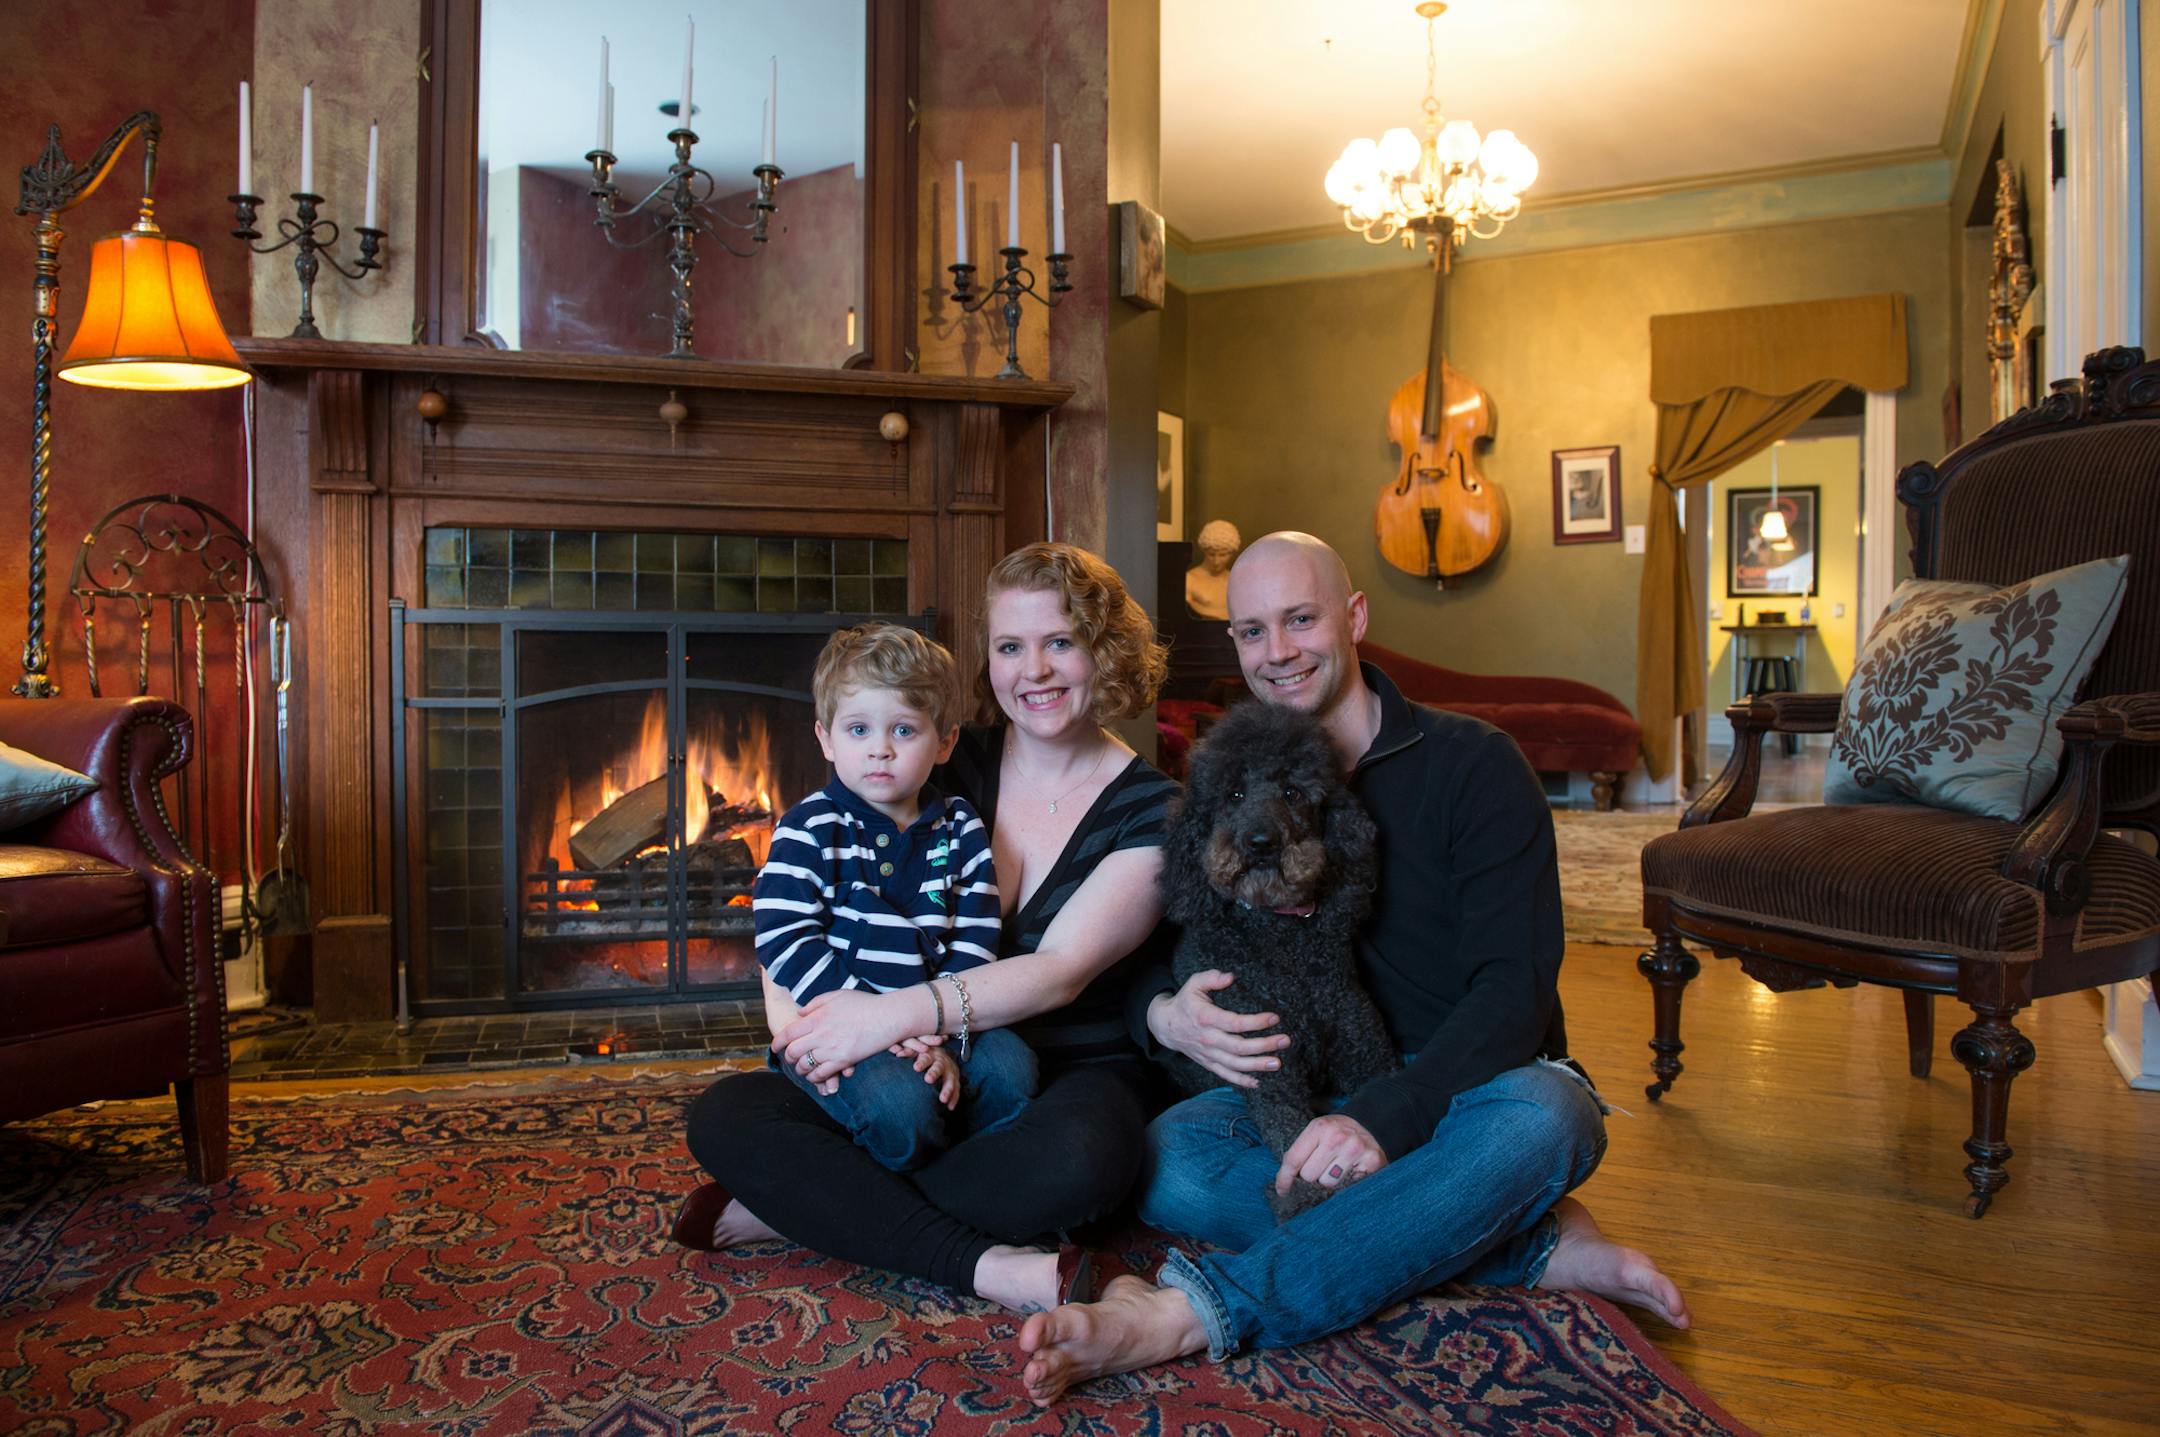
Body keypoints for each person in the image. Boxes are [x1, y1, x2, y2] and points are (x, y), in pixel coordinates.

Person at [1017, 531, 1688, 1404]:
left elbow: (1514, 991)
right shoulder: (1233, 778)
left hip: (1469, 1091)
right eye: (1252, 630)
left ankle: (1191, 1312)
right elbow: (1166, 936)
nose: (1278, 651)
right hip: (1313, 1091)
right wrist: (1162, 1012)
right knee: (1172, 1155)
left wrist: (1383, 1120)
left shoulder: (1476, 765)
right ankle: (1522, 1241)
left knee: (1551, 1118)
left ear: (1355, 616)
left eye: (1301, 619)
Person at [675, 543, 1178, 1315]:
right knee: (724, 1114)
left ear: (1103, 650)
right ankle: (982, 1256)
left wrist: (898, 1017)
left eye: (1060, 642)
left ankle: (805, 1209)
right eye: (1011, 646)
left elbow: (1060, 970)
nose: (1032, 670)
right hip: (887, 1047)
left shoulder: (1153, 809)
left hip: (1064, 1067)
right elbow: (807, 896)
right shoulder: (936, 750)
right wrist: (804, 1029)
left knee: (1086, 1162)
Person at [752, 623, 1031, 1173]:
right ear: (827, 738)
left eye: (903, 730)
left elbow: (976, 936)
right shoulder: (808, 827)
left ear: (945, 741)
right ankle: (895, 1185)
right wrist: (864, 1014)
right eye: (858, 730)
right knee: (900, 1107)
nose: (879, 749)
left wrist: (937, 1036)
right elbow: (784, 936)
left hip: (937, 1016)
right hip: (837, 1015)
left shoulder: (960, 827)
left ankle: (975, 1176)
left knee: (1012, 1070)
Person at [1182, 519, 1242, 620]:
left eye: (1222, 555)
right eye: (1211, 554)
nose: (1216, 561)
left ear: (1232, 553)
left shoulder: (1235, 580)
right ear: (1204, 551)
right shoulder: (1190, 579)